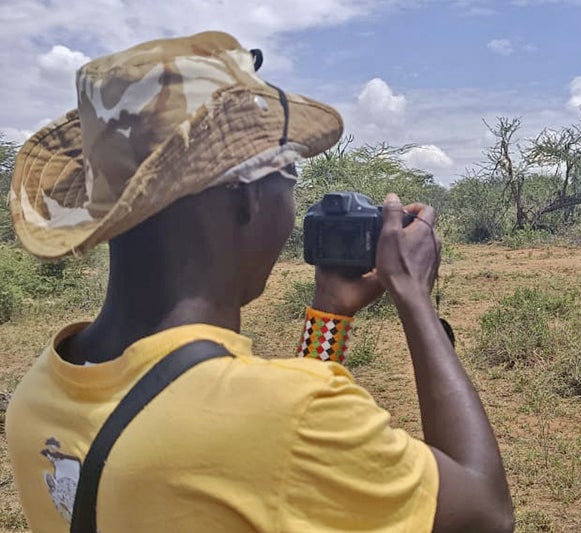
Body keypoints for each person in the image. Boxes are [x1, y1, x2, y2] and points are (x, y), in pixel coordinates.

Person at [6, 31, 513, 532]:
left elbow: (274, 474)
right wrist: (415, 298)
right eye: (288, 178)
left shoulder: (38, 397)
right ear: (247, 200)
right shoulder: (287, 419)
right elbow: (486, 513)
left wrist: (330, 313)